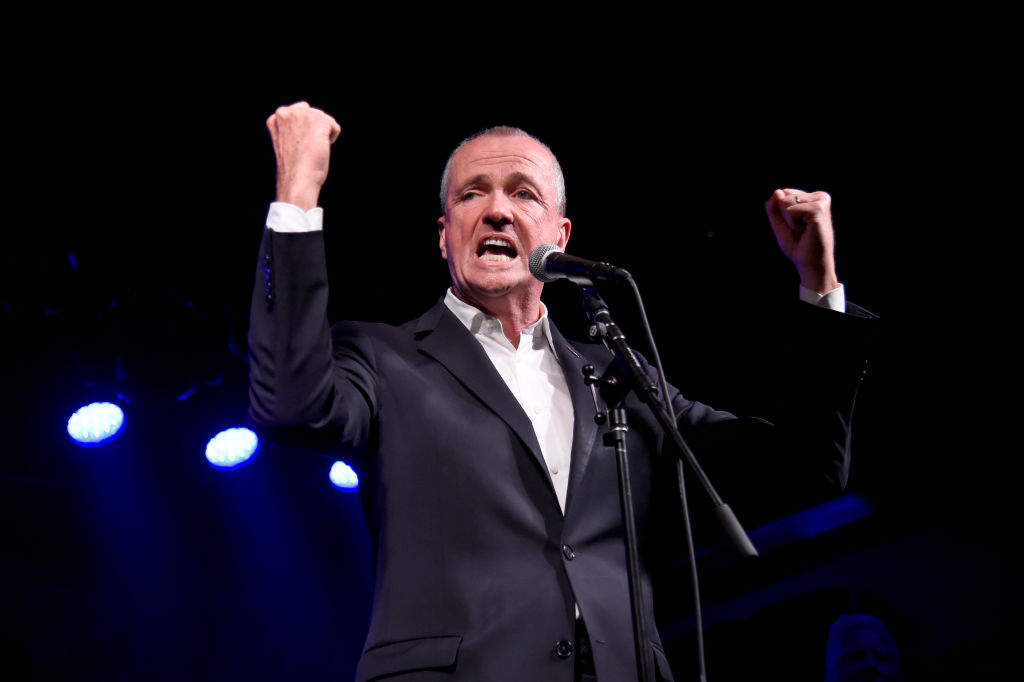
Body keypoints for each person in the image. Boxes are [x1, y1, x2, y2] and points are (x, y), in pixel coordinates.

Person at [248, 101, 877, 682]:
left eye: (522, 193)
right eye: (473, 195)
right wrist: (297, 194)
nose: (497, 210)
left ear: (561, 235)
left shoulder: (621, 376)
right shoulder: (382, 357)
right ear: (444, 235)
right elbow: (289, 402)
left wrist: (818, 283)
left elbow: (806, 468)